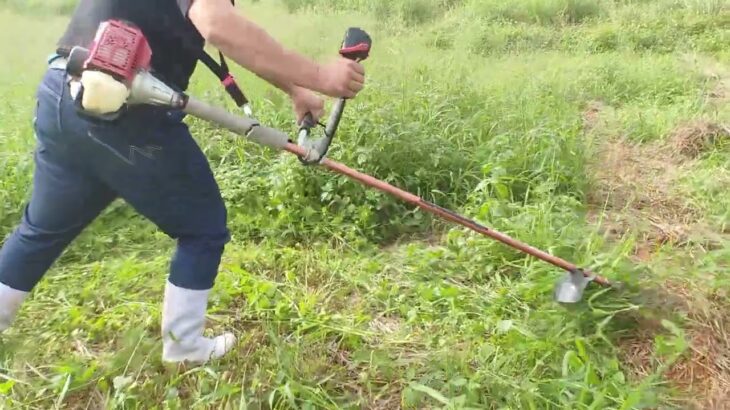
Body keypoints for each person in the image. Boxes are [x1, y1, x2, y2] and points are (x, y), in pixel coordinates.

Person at [0, 0, 365, 364]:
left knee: (42, 230)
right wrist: (321, 76)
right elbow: (217, 23)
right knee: (202, 228)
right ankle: (185, 348)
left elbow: (214, 27)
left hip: (62, 94)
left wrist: (295, 88)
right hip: (126, 112)